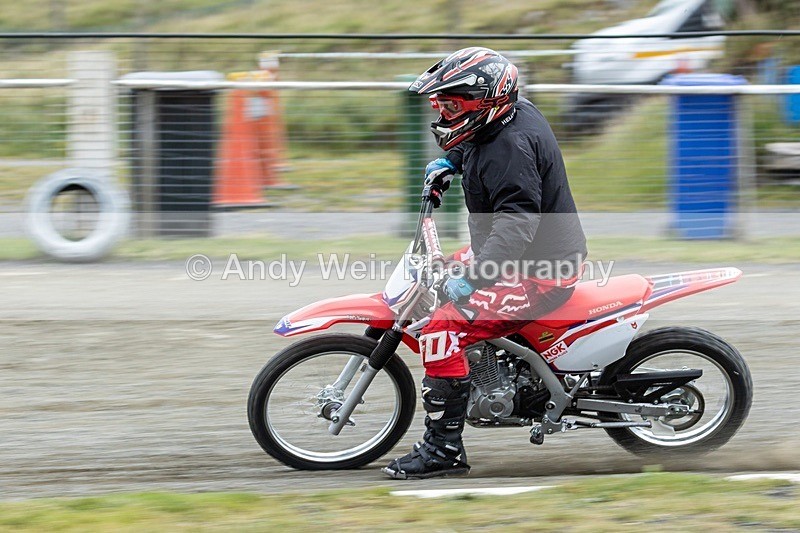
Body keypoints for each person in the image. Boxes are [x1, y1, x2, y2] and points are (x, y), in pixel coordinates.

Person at [382, 47, 588, 480]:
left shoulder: (510, 147)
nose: (443, 113)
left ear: (486, 102)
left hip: (537, 271)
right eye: (441, 104)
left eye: (451, 105)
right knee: (433, 284)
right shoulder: (510, 116)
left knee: (442, 328)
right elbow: (477, 143)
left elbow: (516, 226)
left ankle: (443, 450)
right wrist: (450, 164)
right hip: (516, 257)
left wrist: (474, 278)